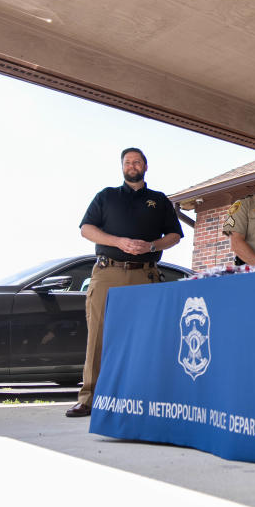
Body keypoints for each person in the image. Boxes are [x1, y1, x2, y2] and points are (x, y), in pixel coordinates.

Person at [66, 147, 184, 418]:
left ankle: (142, 398)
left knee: (146, 336)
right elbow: (86, 229)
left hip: (146, 273)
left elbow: (174, 235)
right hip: (108, 272)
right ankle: (88, 398)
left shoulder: (158, 199)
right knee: (98, 335)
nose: (132, 165)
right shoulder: (106, 196)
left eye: (137, 161)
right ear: (122, 167)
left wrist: (151, 245)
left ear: (145, 166)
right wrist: (118, 241)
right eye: (127, 162)